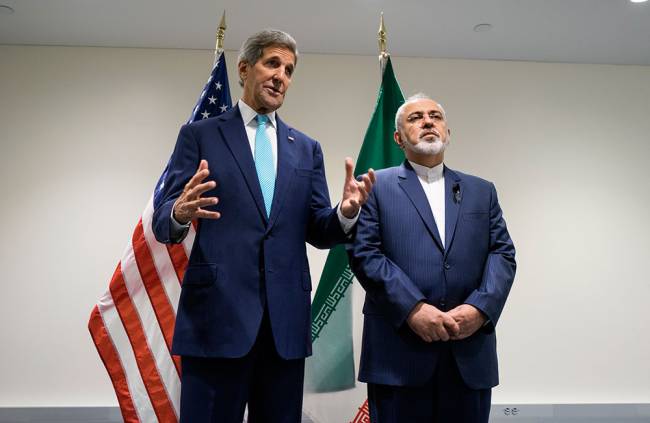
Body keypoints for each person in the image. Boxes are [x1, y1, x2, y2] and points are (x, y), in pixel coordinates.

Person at [152, 29, 374, 423]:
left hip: (284, 327)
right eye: (272, 63)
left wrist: (347, 212)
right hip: (216, 322)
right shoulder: (200, 135)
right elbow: (163, 221)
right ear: (244, 68)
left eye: (289, 70)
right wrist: (180, 212)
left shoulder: (305, 148)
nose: (281, 76)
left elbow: (319, 231)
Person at [347, 93, 516, 423]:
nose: (427, 121)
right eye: (415, 118)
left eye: (435, 116)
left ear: (447, 132)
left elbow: (503, 253)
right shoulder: (373, 186)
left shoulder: (482, 190)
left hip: (468, 355)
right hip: (398, 355)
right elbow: (365, 253)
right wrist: (413, 309)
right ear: (398, 138)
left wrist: (479, 309)